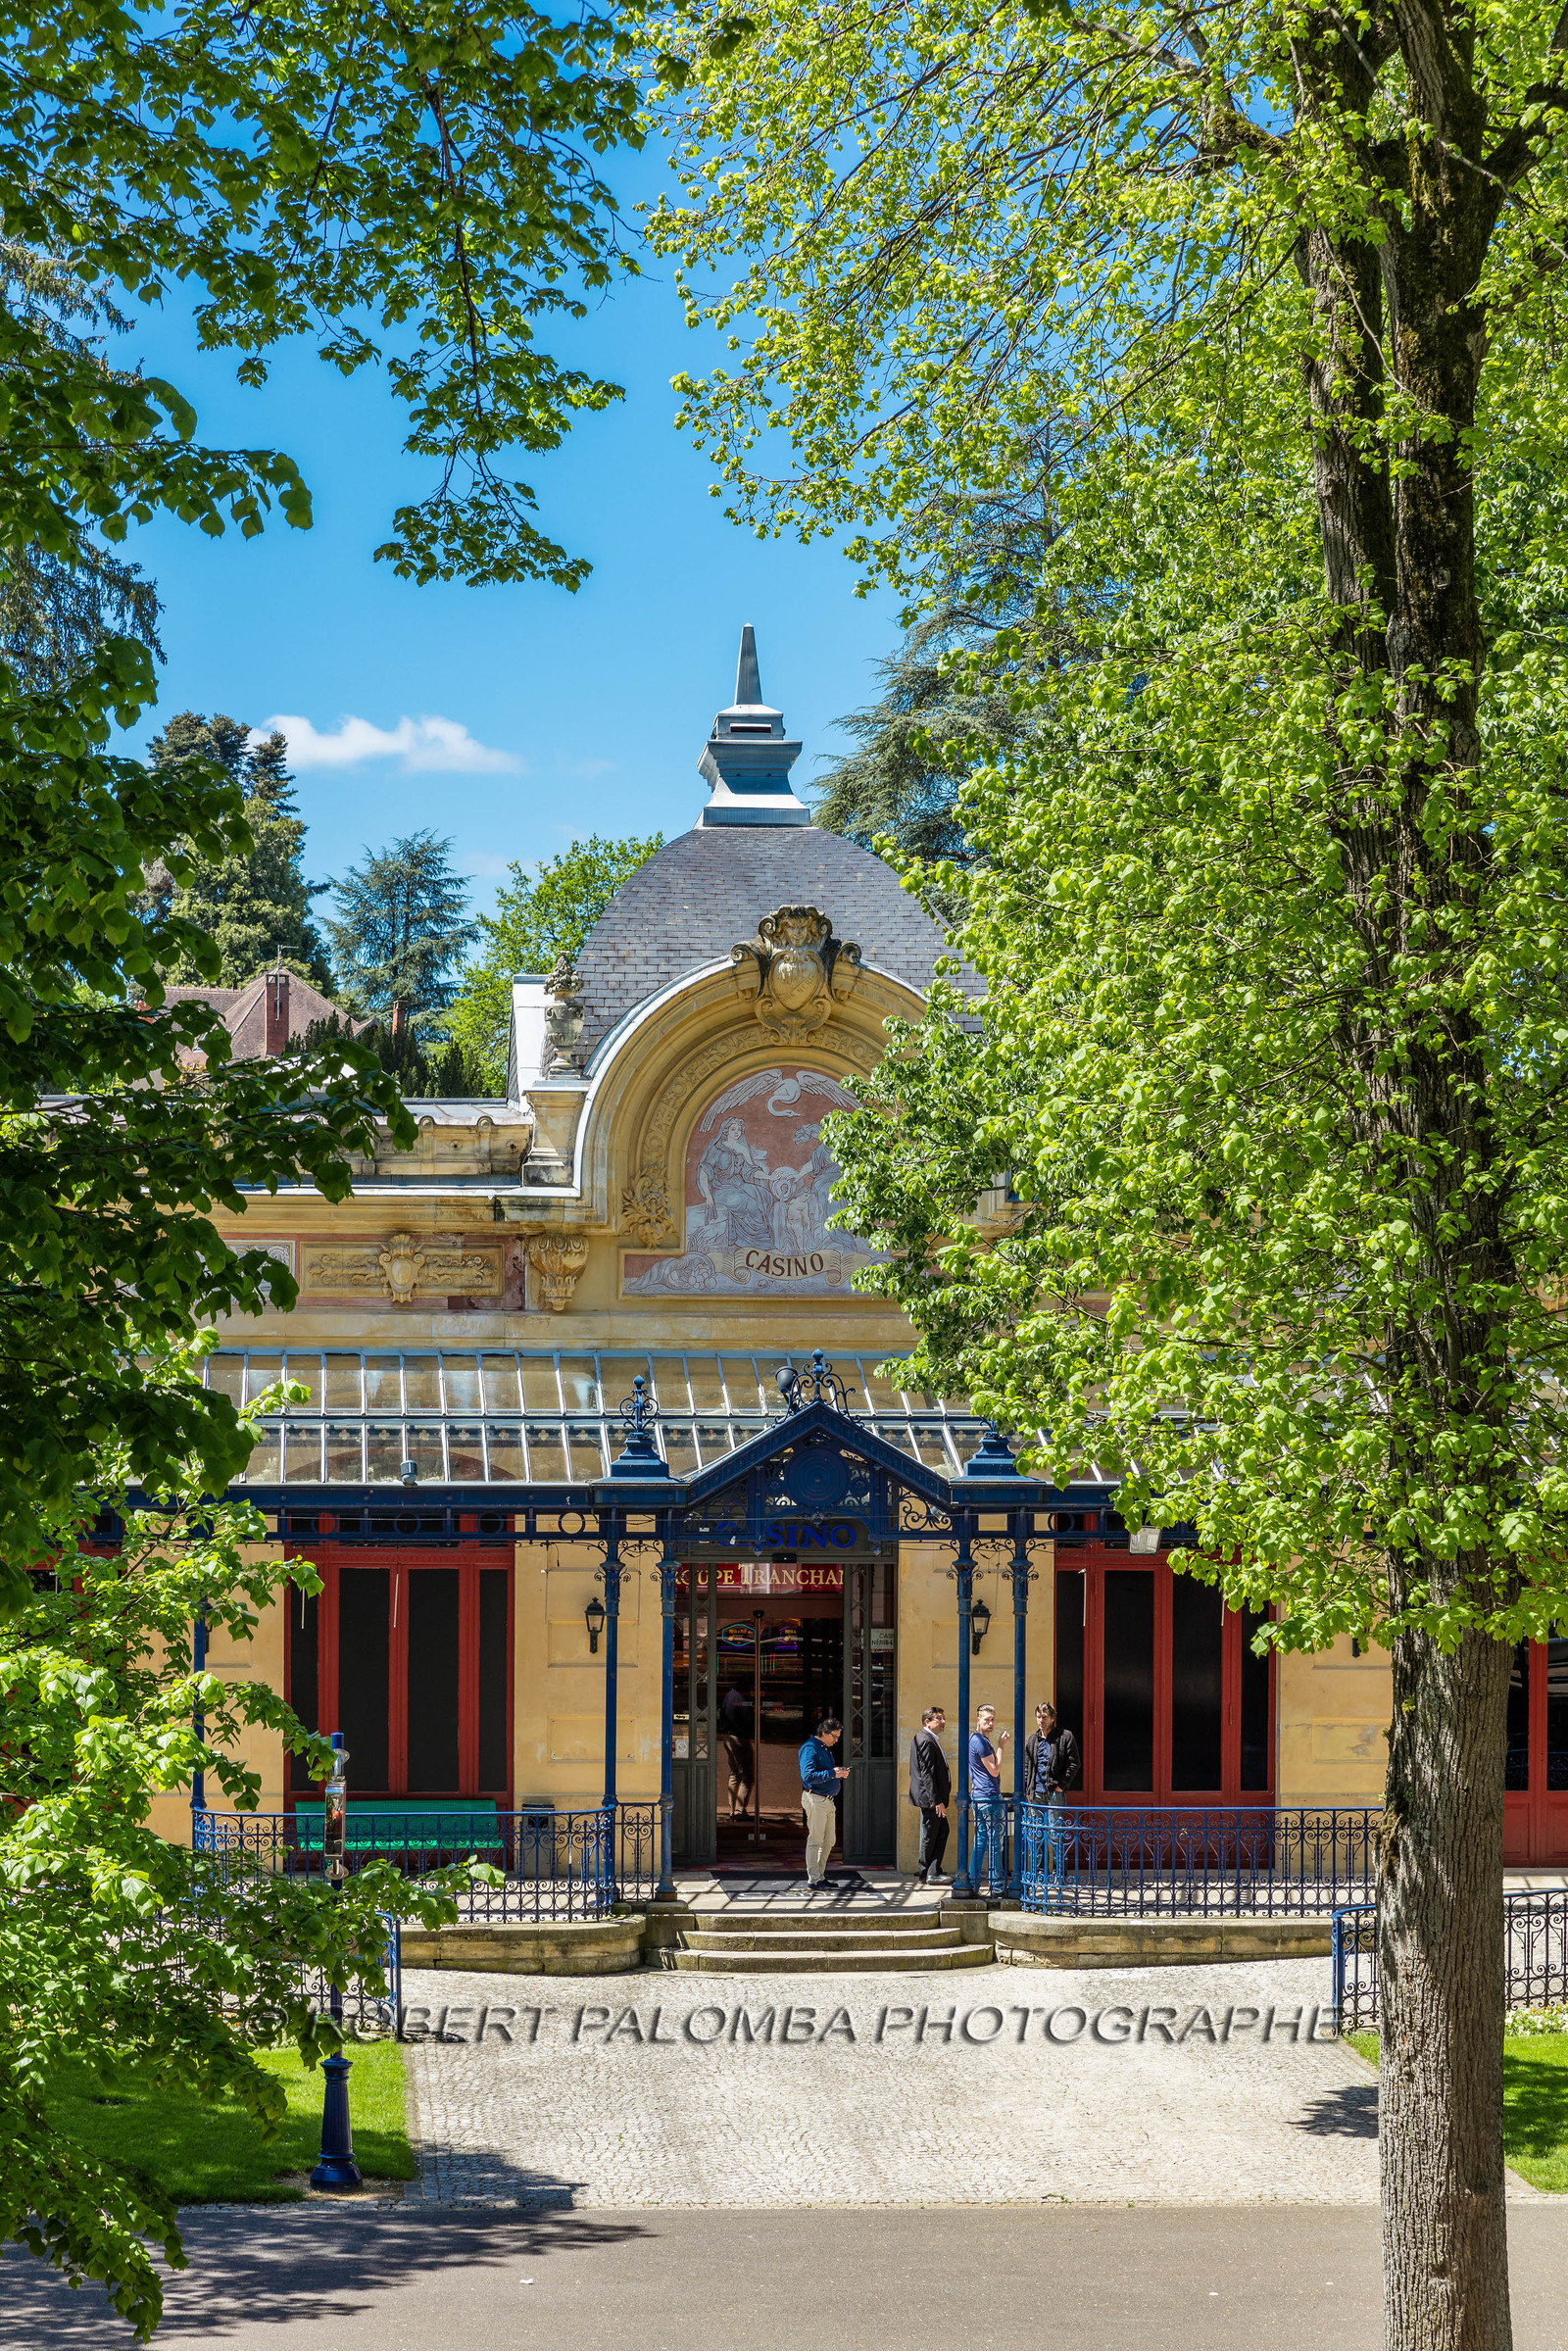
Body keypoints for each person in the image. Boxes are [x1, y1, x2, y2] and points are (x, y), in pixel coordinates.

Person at [1023, 1700, 1081, 1892]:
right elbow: (1027, 1767)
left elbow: (1074, 1764)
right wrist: (1027, 1788)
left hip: (1054, 1794)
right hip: (1036, 1794)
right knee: (1037, 1837)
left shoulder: (1064, 1737)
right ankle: (1040, 1874)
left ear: (1053, 1718)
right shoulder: (1032, 1740)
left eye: (1045, 1717)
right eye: (1038, 1717)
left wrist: (1060, 1786)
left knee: (1056, 1835)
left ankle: (1059, 1875)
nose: (1041, 1720)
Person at [798, 1713, 851, 1889]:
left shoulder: (824, 1748)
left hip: (827, 1800)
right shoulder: (810, 1748)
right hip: (816, 1799)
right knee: (816, 1840)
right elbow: (808, 1776)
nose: (836, 1740)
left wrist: (839, 1773)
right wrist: (833, 1773)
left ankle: (820, 1876)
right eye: (834, 1736)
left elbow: (826, 1772)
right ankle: (813, 1879)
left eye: (838, 1737)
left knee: (829, 1841)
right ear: (824, 1732)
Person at [966, 1702, 1008, 1896]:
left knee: (981, 1839)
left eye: (992, 1720)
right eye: (987, 1720)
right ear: (978, 1721)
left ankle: (973, 1881)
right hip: (989, 1797)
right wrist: (1001, 1746)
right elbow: (994, 1769)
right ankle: (997, 1885)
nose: (990, 1723)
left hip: (979, 1796)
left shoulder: (974, 1739)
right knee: (995, 1842)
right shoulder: (981, 1742)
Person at [907, 1705, 951, 1885]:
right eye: (938, 1718)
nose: (943, 1722)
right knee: (932, 1834)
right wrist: (936, 1801)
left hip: (932, 1799)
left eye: (943, 1718)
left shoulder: (928, 1738)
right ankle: (927, 1872)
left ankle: (933, 1870)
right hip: (931, 1800)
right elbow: (927, 1773)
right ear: (928, 1721)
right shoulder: (925, 1740)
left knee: (939, 1831)